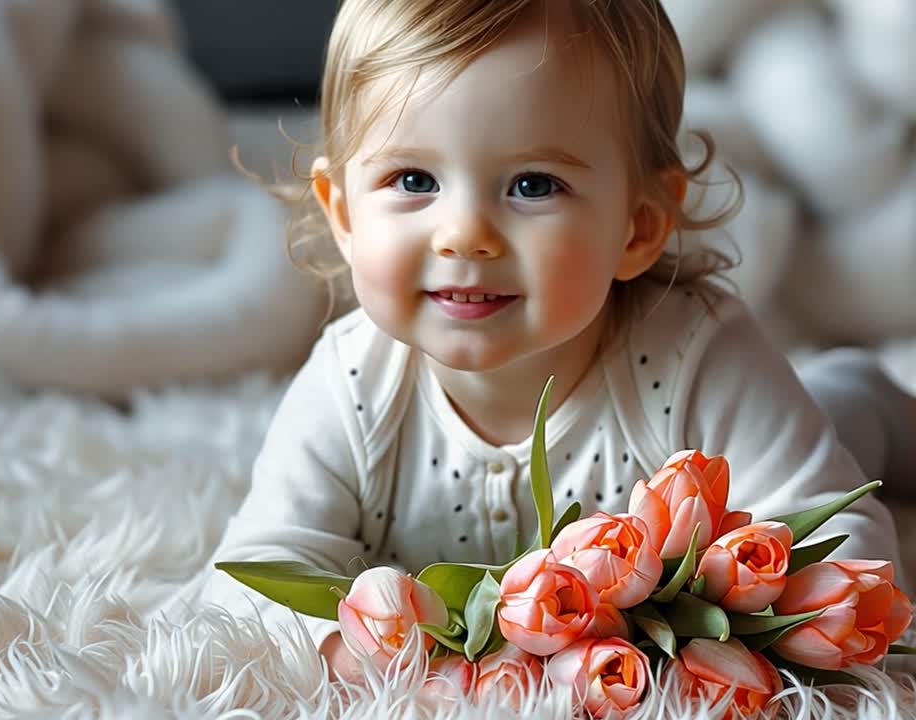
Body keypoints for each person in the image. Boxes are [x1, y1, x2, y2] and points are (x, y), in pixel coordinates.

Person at [195, 0, 916, 681]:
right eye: (413, 178)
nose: (464, 235)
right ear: (345, 215)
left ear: (636, 226)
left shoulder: (700, 355)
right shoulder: (351, 384)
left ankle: (866, 393)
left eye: (532, 186)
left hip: (799, 418)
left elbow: (845, 545)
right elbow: (250, 573)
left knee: (845, 422)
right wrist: (346, 648)